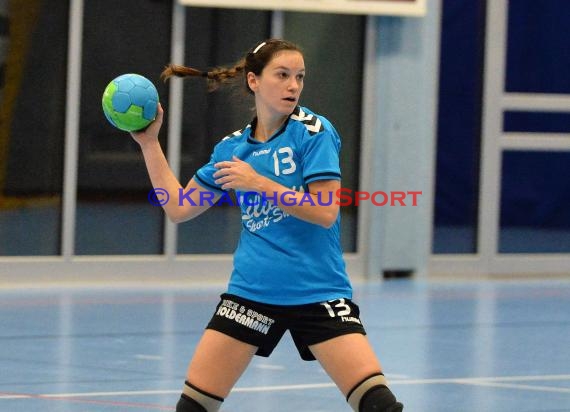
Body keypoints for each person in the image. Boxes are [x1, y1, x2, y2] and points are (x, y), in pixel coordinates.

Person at [130, 39, 403, 412]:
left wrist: (260, 183)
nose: (294, 85)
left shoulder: (314, 131)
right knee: (192, 408)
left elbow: (326, 212)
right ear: (254, 81)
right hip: (252, 293)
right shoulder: (232, 149)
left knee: (379, 406)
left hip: (317, 292)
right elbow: (179, 208)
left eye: (300, 77)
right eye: (283, 75)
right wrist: (149, 144)